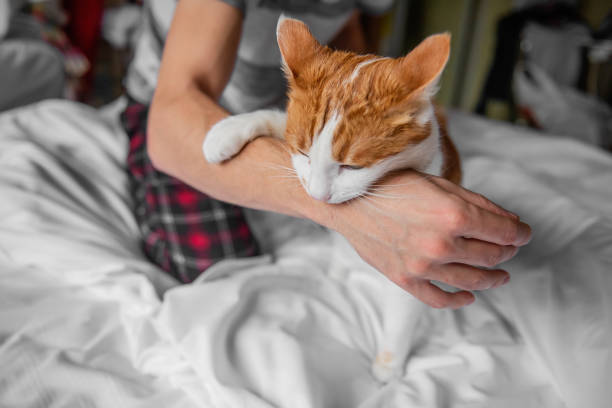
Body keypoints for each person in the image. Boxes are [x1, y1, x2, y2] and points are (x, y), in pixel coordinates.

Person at [122, 0, 532, 309]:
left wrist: (389, 113)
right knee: (221, 278)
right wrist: (353, 214)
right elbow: (170, 122)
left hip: (315, 112)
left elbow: (352, 42)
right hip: (182, 109)